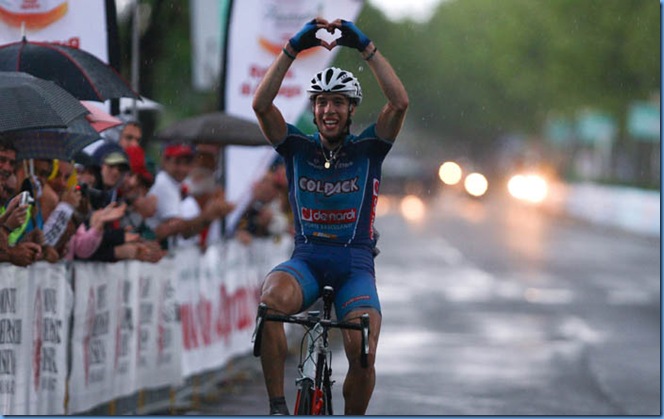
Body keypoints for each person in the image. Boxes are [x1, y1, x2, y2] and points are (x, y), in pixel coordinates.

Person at [252, 17, 408, 415]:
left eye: (338, 101)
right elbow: (261, 105)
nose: (328, 109)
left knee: (362, 346)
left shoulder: (368, 149)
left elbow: (399, 103)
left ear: (351, 108)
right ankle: (277, 407)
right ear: (314, 109)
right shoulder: (296, 148)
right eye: (321, 102)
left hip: (354, 264)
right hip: (306, 259)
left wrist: (366, 48)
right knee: (270, 306)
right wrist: (292, 48)